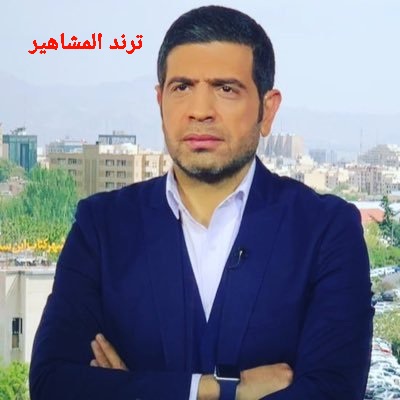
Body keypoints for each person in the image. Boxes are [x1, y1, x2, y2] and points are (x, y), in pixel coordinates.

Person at [29, 5, 373, 400]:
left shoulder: (326, 231)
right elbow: (53, 384)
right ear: (160, 101)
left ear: (267, 110)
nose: (200, 111)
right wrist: (223, 390)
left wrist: (131, 388)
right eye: (182, 88)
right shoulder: (102, 228)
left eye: (226, 89)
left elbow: (331, 391)